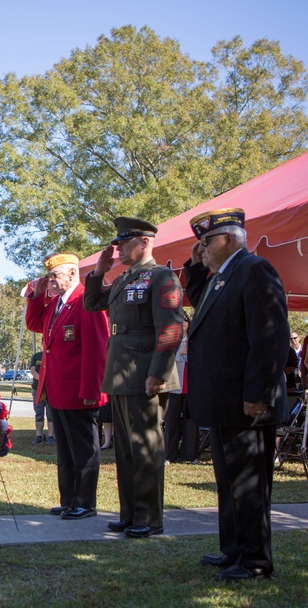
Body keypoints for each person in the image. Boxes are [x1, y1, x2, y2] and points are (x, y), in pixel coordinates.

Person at [183, 208, 289, 582]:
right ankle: (234, 551)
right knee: (229, 482)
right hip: (225, 399)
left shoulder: (255, 269)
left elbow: (269, 337)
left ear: (229, 238)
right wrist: (195, 267)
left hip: (247, 400)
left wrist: (258, 392)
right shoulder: (221, 277)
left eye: (207, 242)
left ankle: (256, 560)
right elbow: (202, 307)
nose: (202, 248)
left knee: (249, 484)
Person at [84, 217, 184, 538]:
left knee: (146, 447)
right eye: (117, 243)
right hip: (121, 371)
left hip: (145, 374)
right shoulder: (124, 279)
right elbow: (91, 303)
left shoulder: (161, 277)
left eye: (124, 243)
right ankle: (130, 514)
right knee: (126, 450)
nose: (119, 248)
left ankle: (150, 518)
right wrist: (99, 271)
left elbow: (171, 327)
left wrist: (158, 372)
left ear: (145, 242)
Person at [24, 252, 110, 520]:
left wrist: (91, 390)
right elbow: (34, 323)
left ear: (72, 273)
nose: (50, 280)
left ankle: (85, 502)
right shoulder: (56, 303)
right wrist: (37, 296)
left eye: (54, 275)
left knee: (84, 448)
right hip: (56, 390)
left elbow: (97, 349)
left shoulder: (87, 301)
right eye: (48, 276)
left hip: (78, 390)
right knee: (64, 448)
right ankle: (69, 499)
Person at [164, 314, 199, 463]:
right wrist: (180, 353)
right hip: (174, 386)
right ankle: (169, 455)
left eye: (186, 320)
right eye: (180, 320)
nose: (183, 323)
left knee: (191, 422)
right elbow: (165, 359)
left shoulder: (195, 339)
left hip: (190, 386)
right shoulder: (171, 340)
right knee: (171, 421)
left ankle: (190, 455)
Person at [29, 350, 54, 445]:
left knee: (51, 414)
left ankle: (51, 436)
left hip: (51, 388)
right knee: (38, 413)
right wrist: (42, 378)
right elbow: (32, 370)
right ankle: (38, 436)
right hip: (37, 388)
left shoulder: (55, 354)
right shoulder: (37, 356)